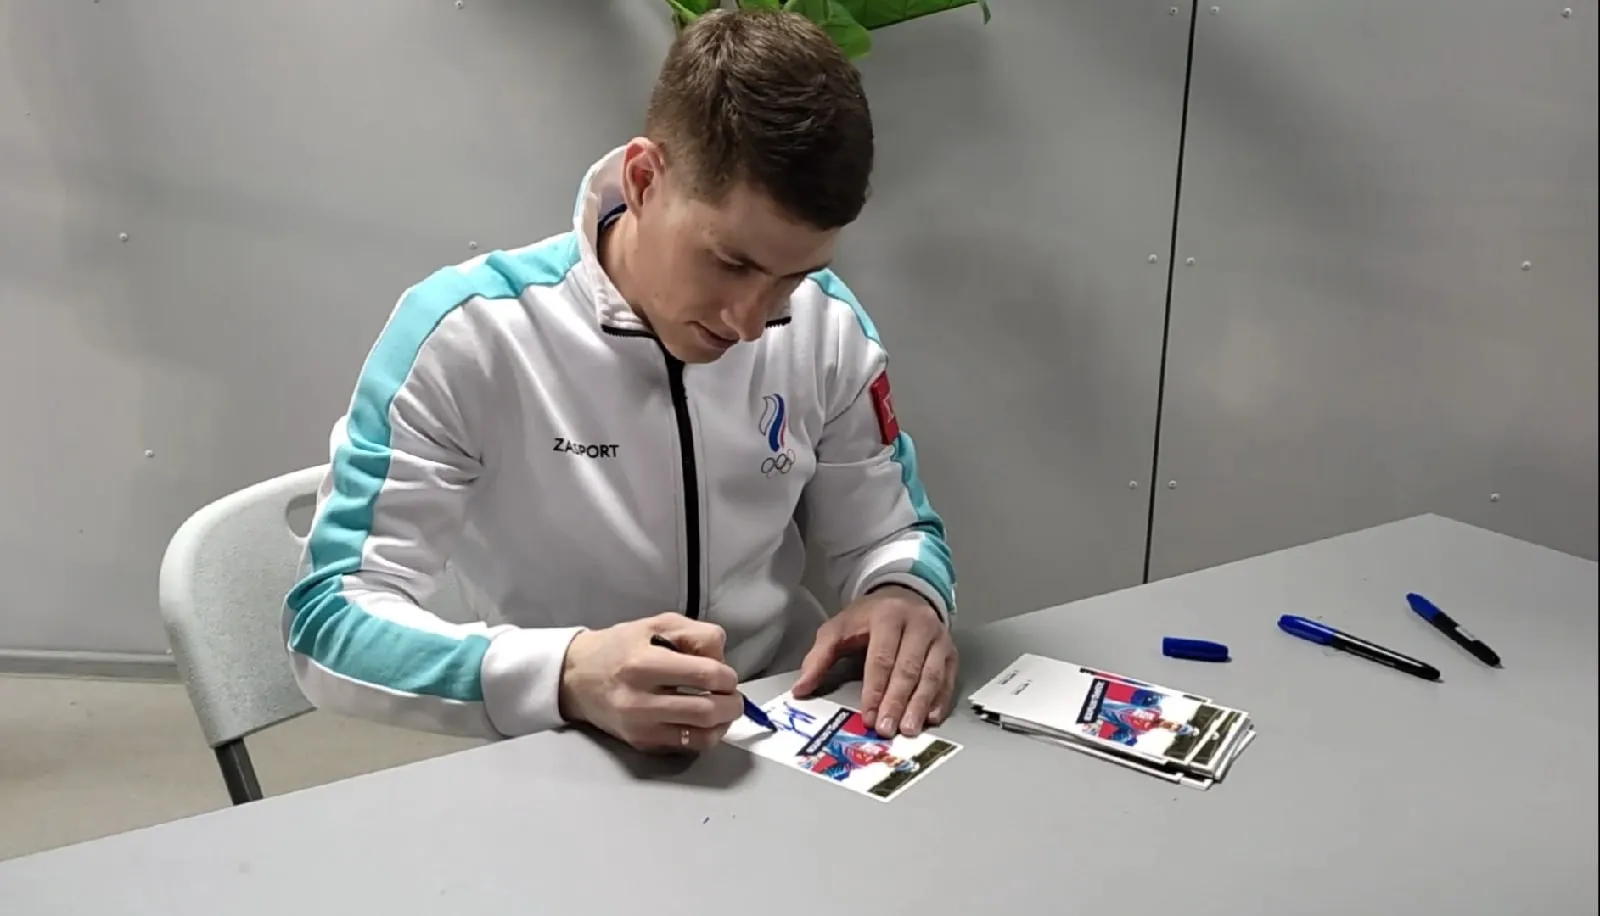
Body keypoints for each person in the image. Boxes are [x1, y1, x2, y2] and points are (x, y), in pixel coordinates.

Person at [281, 8, 958, 756]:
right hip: (562, 741)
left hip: (781, 725)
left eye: (792, 276)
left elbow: (893, 532)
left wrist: (902, 593)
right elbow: (329, 622)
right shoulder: (468, 334)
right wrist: (566, 672)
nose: (750, 321)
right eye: (730, 263)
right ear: (642, 180)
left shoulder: (826, 325)